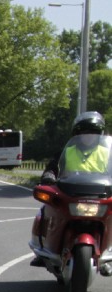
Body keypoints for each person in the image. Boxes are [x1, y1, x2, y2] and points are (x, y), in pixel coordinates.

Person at [32, 111, 108, 265]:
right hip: (70, 194)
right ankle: (44, 250)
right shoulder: (67, 152)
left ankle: (108, 253)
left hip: (99, 196)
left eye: (93, 133)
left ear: (99, 135)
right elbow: (52, 167)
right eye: (84, 133)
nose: (88, 136)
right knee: (46, 209)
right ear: (77, 135)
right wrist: (49, 176)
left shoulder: (106, 153)